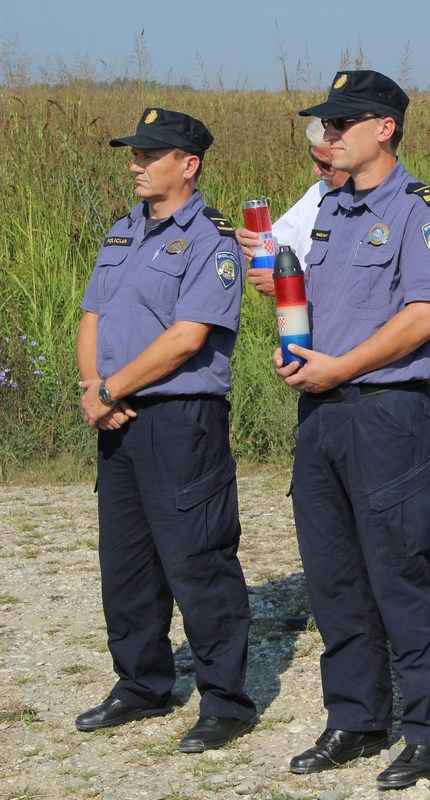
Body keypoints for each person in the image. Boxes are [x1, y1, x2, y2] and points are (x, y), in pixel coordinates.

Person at [276, 70, 430, 791]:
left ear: (384, 127)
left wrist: (343, 365)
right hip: (321, 412)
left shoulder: (422, 210)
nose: (327, 135)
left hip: (386, 412)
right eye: (325, 124)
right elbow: (319, 304)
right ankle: (355, 717)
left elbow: (425, 314)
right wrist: (296, 352)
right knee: (334, 576)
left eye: (341, 124)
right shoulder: (329, 209)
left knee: (401, 574)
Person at [74, 108, 257, 751]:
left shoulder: (213, 238)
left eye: (151, 154)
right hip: (117, 415)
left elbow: (187, 339)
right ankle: (140, 684)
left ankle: (225, 700)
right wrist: (93, 389)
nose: (136, 163)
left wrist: (111, 389)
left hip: (180, 420)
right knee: (125, 562)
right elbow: (93, 314)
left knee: (197, 558)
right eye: (134, 152)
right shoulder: (122, 232)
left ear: (188, 164)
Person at [237, 118, 351, 296]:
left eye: (325, 165)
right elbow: (278, 243)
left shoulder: (382, 204)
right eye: (313, 158)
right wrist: (247, 242)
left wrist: (287, 288)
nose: (316, 171)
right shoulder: (319, 192)